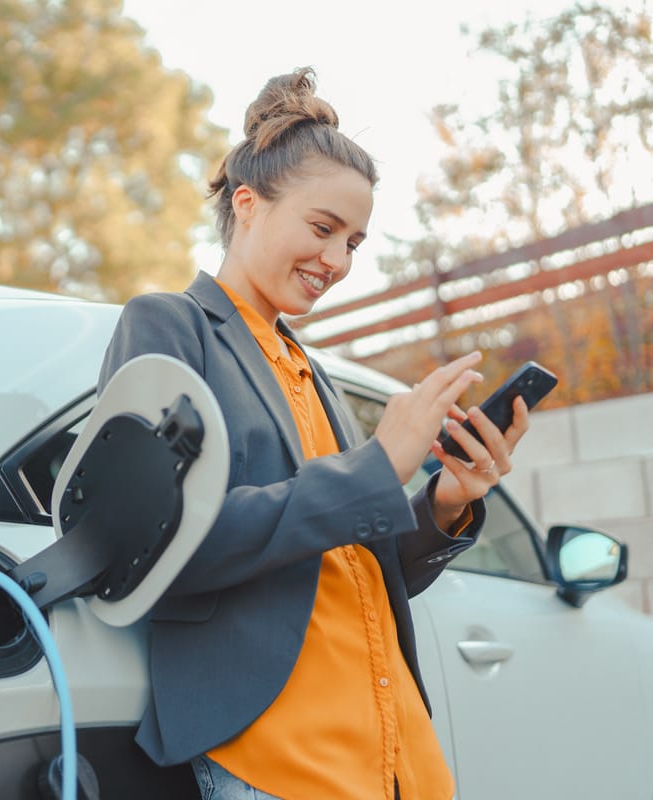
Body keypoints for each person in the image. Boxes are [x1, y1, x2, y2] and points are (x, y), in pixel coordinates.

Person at [97, 67, 530, 800]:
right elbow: (158, 543)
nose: (337, 261)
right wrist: (378, 464)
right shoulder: (168, 326)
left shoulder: (309, 368)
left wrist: (444, 504)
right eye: (322, 229)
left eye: (354, 242)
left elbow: (355, 565)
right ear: (247, 204)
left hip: (393, 752)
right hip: (278, 755)